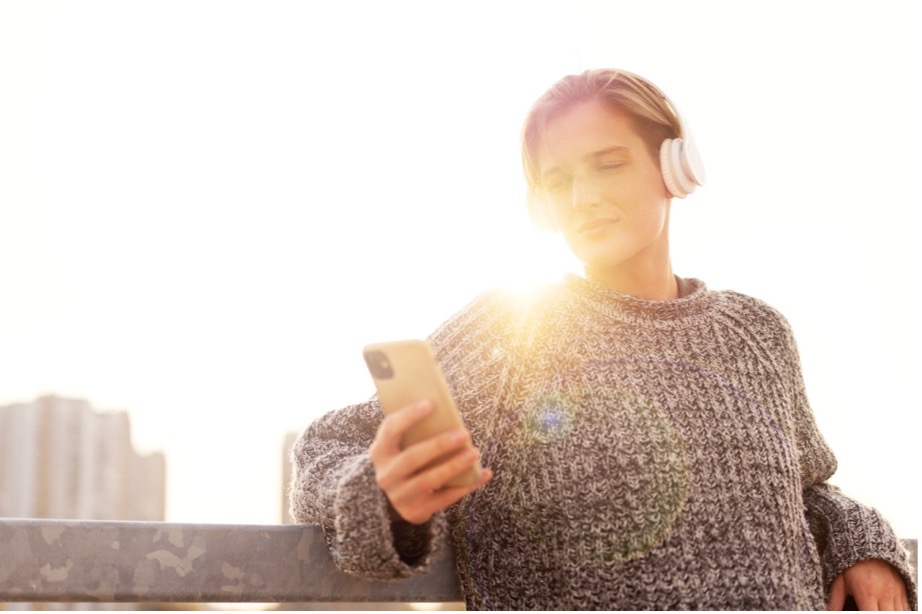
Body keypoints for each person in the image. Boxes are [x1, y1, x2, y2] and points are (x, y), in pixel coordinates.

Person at [289, 68, 916, 610]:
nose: (583, 198)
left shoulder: (758, 333)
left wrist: (860, 541)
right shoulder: (513, 330)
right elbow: (325, 448)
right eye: (558, 181)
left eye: (607, 164)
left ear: (676, 165)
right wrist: (385, 496)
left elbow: (803, 490)